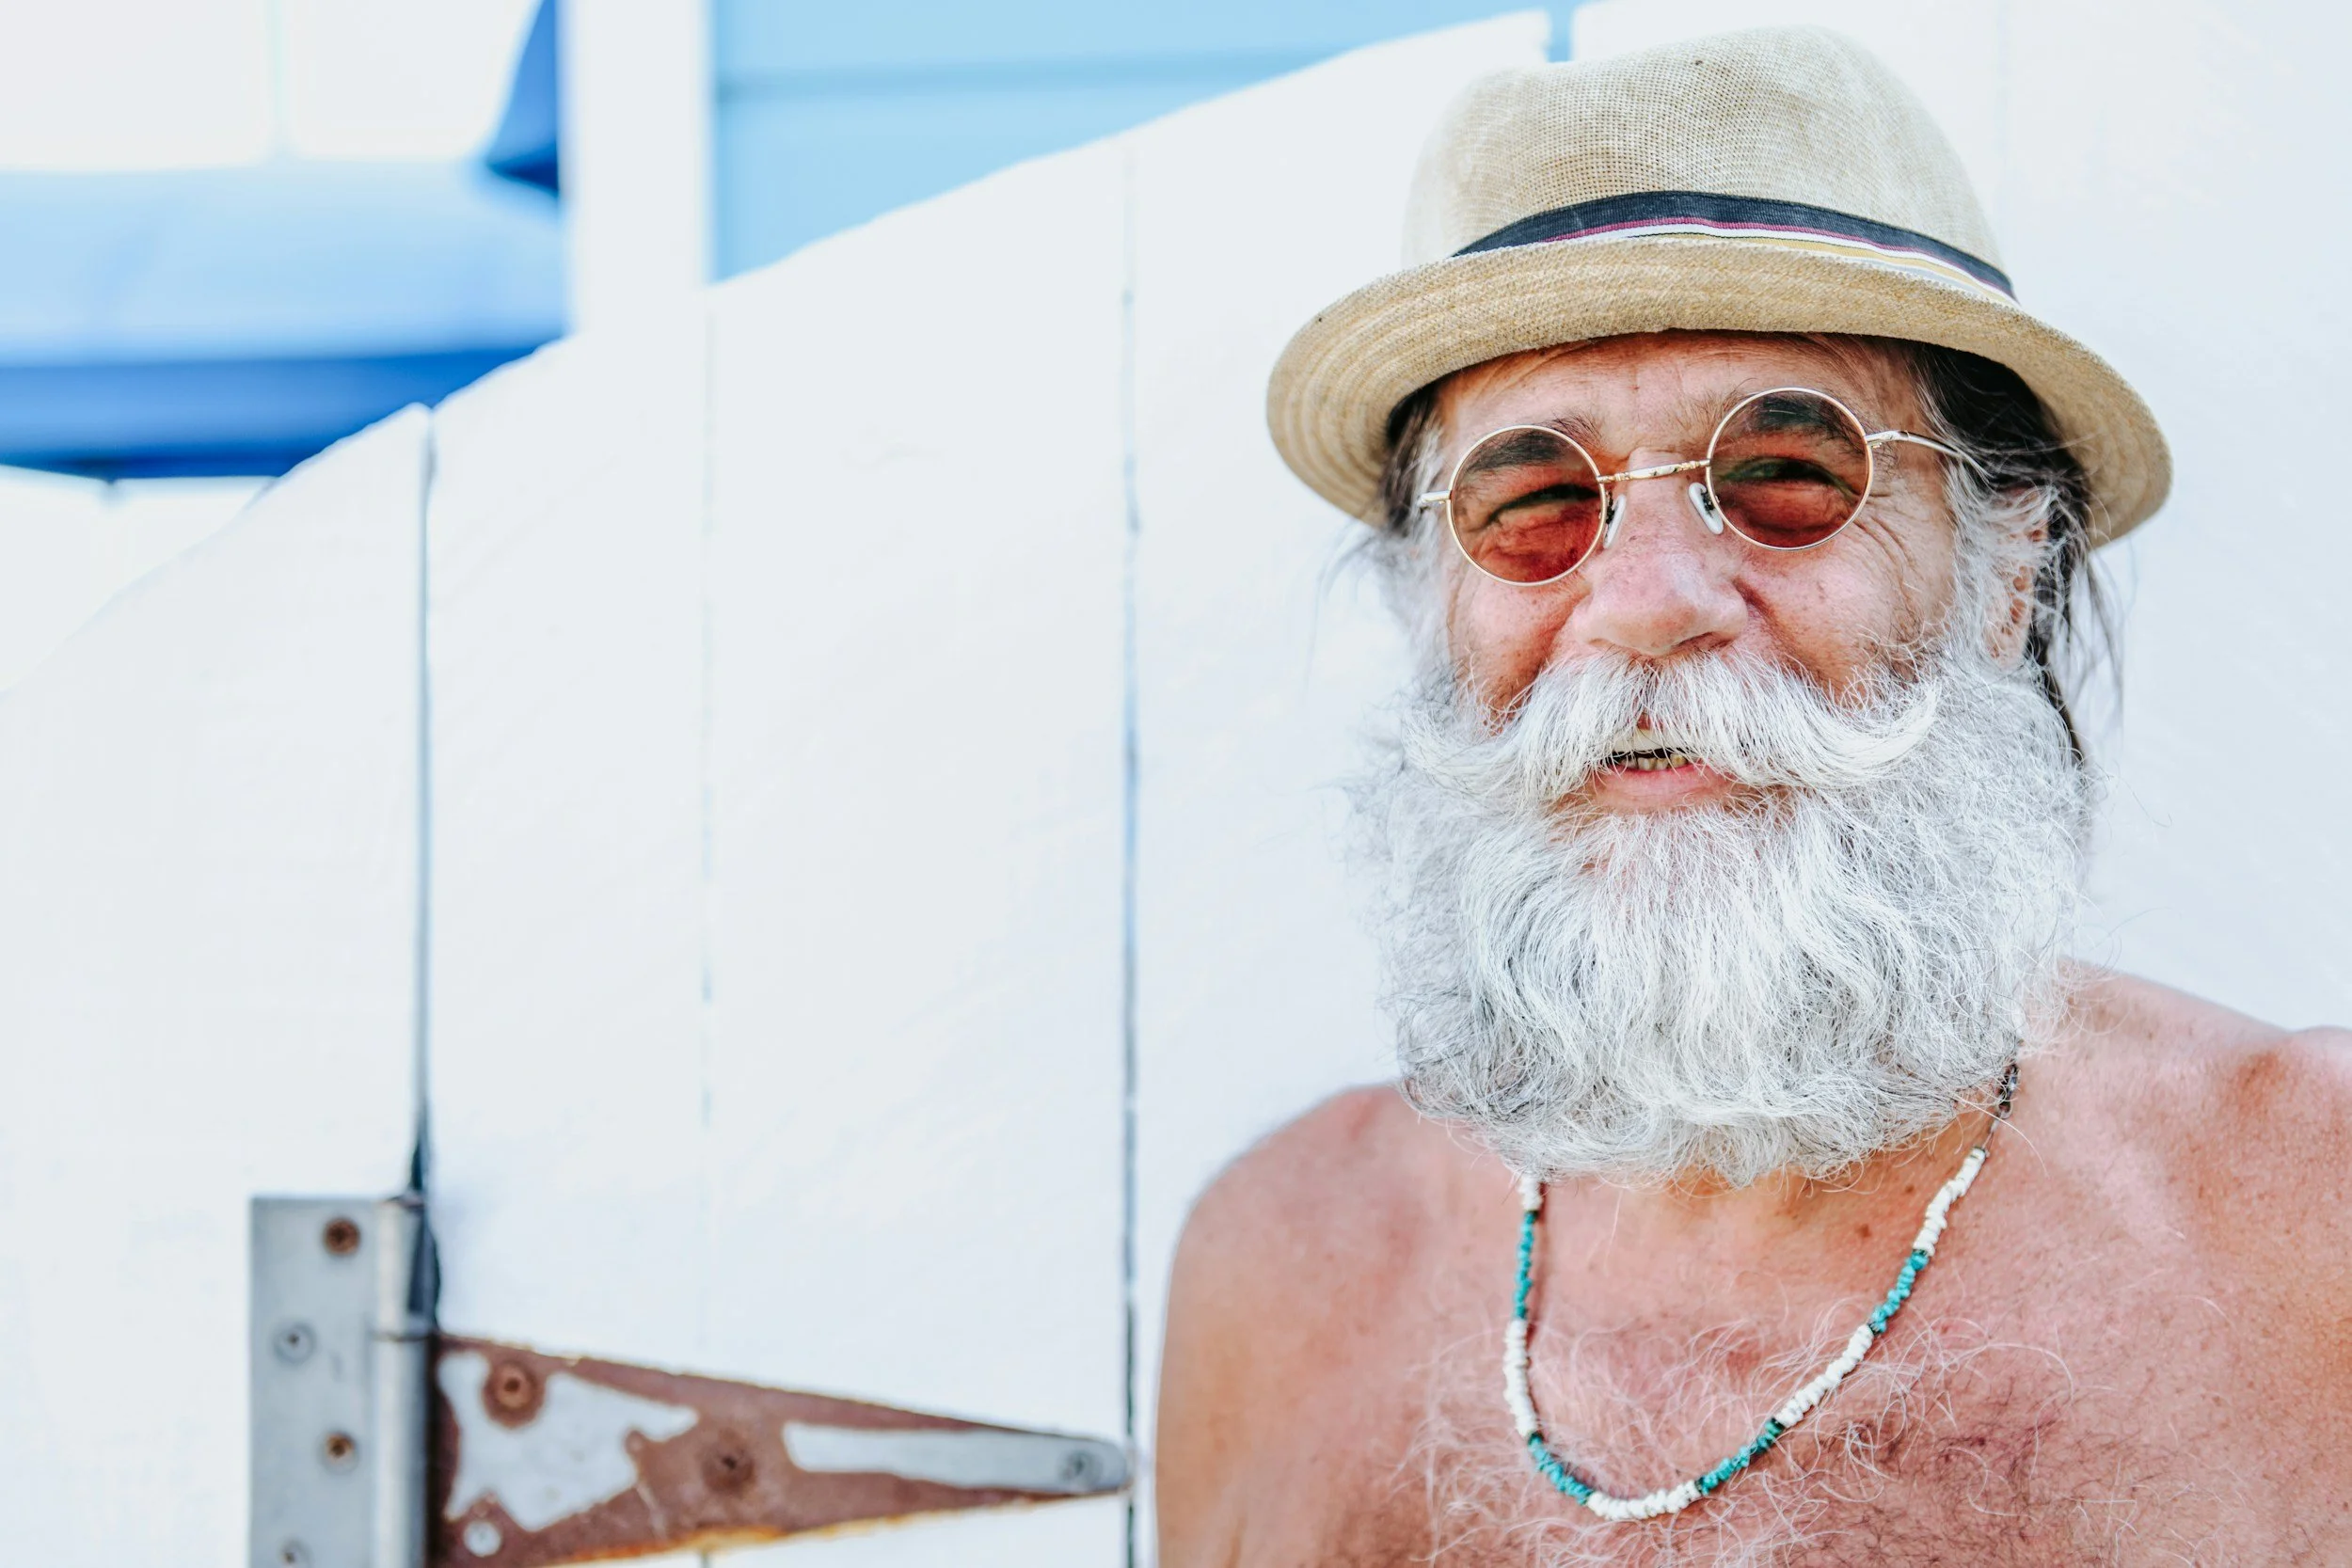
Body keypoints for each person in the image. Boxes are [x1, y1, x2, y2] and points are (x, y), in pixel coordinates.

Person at [1154, 26, 2352, 1565]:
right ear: (1425, 603)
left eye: (1791, 470)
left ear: (2008, 565)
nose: (1647, 601)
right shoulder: (1278, 1267)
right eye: (1533, 498)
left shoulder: (2311, 1220)